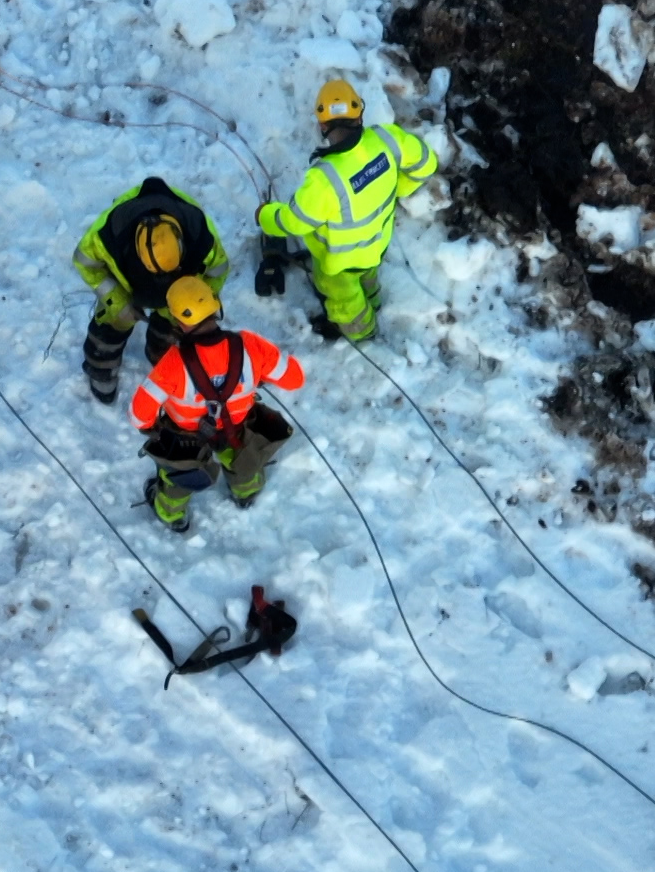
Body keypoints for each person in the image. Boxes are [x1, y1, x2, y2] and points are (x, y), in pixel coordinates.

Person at [256, 79, 438, 342]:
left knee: (345, 303)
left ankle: (362, 332)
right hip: (376, 245)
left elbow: (295, 223)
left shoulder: (323, 179)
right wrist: (397, 188)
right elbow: (426, 162)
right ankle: (373, 302)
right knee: (368, 276)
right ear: (359, 114)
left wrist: (265, 216)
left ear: (322, 126)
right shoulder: (388, 139)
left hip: (339, 264)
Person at [130, 276, 303, 534]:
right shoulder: (250, 346)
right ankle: (246, 493)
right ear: (215, 308)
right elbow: (294, 379)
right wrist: (258, 372)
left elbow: (138, 414)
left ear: (178, 321)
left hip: (187, 438)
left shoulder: (172, 365)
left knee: (178, 477)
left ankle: (172, 514)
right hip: (237, 428)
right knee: (245, 460)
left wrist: (151, 427)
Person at [71, 176, 230, 404]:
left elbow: (219, 270)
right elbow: (84, 262)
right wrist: (116, 300)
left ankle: (163, 357)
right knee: (110, 324)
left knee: (174, 325)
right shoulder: (106, 236)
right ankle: (101, 369)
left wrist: (200, 300)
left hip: (182, 286)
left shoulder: (202, 236)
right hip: (127, 285)